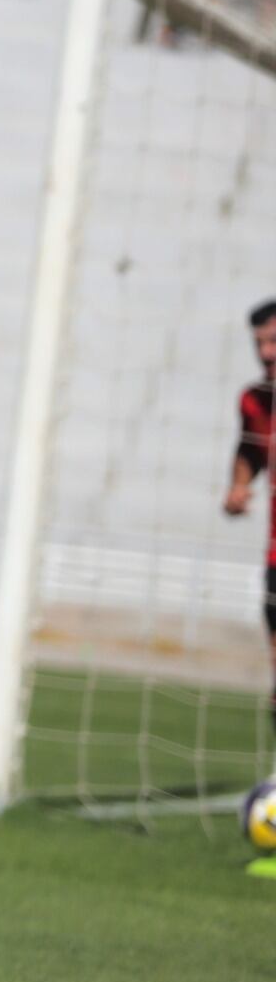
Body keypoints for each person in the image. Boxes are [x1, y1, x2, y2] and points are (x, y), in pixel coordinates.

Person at [219, 298, 276, 726]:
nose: (266, 353)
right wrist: (239, 486)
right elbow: (251, 449)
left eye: (273, 341)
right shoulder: (254, 400)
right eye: (259, 343)